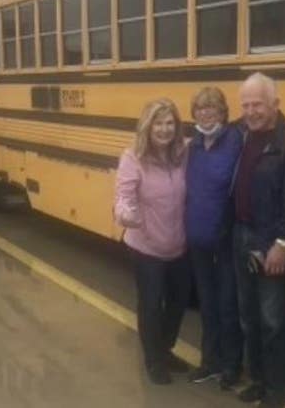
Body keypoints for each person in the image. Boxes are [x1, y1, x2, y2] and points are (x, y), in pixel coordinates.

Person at [231, 72, 285, 408]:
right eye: (246, 105)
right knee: (248, 315)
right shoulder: (241, 133)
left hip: (270, 241)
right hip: (241, 235)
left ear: (275, 104)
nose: (251, 111)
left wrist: (283, 243)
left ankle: (278, 389)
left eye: (258, 105)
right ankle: (259, 379)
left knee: (272, 320)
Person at [114, 98, 191, 385]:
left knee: (178, 301)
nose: (164, 129)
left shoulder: (183, 153)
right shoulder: (133, 157)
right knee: (150, 303)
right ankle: (154, 360)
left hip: (178, 244)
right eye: (158, 123)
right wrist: (126, 213)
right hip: (146, 246)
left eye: (170, 123)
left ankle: (165, 348)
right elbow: (124, 196)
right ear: (148, 126)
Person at [184, 87, 244, 389]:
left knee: (227, 305)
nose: (206, 113)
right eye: (200, 109)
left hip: (224, 240)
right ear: (194, 114)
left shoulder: (235, 141)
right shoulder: (192, 146)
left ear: (223, 112)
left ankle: (231, 366)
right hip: (198, 241)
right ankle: (209, 363)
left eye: (212, 108)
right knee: (207, 305)